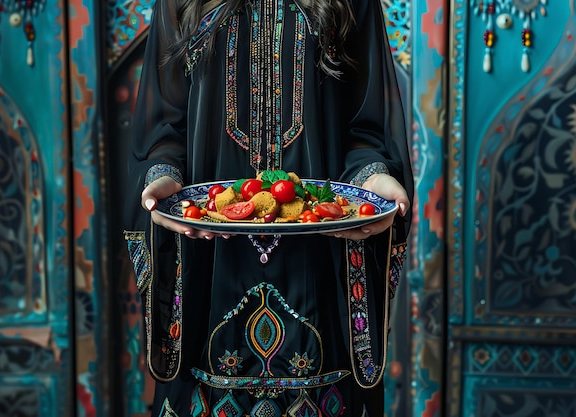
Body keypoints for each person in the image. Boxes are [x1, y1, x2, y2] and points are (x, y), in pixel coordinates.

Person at [124, 0, 413, 415]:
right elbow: (164, 123)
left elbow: (364, 124)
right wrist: (161, 178)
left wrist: (372, 178)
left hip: (321, 264)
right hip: (210, 265)